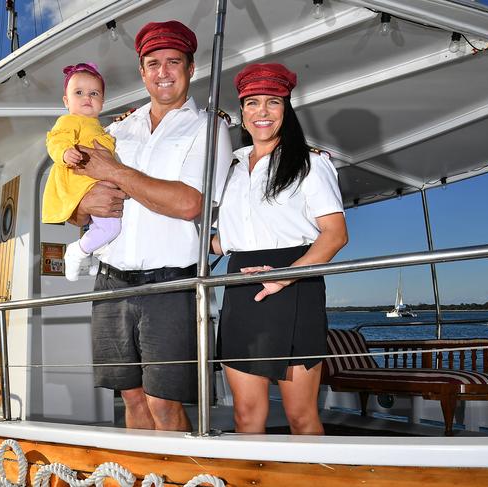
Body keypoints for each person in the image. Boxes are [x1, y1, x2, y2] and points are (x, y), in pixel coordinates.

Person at [70, 20, 233, 431]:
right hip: (111, 282)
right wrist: (82, 204)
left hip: (170, 285)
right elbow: (76, 209)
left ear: (191, 68)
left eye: (173, 62)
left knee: (164, 404)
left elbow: (188, 202)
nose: (163, 72)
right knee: (132, 401)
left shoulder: (210, 128)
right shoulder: (117, 129)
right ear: (142, 72)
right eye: (153, 63)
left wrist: (117, 173)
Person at [212, 63, 348, 435]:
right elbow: (223, 240)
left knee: (301, 416)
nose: (262, 112)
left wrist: (284, 279)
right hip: (240, 286)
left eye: (273, 102)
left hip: (295, 283)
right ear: (242, 112)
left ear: (286, 109)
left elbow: (335, 234)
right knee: (245, 414)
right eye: (252, 103)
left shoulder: (311, 163)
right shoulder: (229, 170)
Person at [41, 62, 119, 281]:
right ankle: (77, 252)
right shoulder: (69, 120)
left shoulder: (99, 127)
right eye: (79, 93)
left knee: (99, 224)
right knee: (111, 227)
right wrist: (65, 153)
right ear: (66, 101)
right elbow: (55, 140)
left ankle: (94, 258)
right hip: (80, 182)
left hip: (93, 182)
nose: (87, 97)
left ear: (102, 102)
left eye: (94, 93)